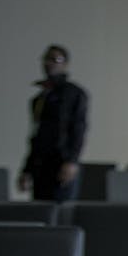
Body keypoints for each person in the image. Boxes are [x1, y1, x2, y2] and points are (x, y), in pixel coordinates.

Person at [18, 44, 88, 202]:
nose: (49, 63)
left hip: (62, 163)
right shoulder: (40, 99)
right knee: (41, 211)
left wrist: (71, 161)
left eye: (55, 59)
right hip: (41, 165)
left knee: (61, 213)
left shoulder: (74, 94)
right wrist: (27, 169)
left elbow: (78, 129)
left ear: (65, 64)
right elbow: (36, 135)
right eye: (46, 59)